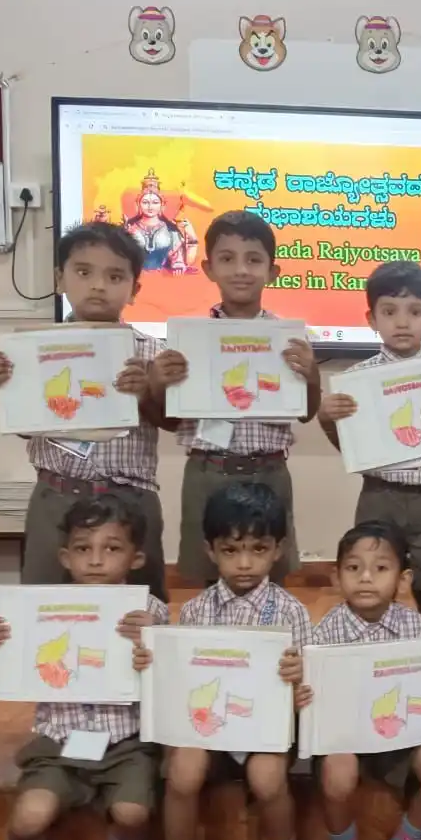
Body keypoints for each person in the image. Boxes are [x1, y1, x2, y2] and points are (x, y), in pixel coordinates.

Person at [0, 495, 166, 840]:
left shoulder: (150, 613)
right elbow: (11, 660)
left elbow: (173, 677)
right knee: (28, 819)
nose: (96, 561)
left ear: (137, 558)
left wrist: (157, 646)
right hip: (58, 744)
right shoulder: (38, 611)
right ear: (65, 556)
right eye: (83, 548)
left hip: (126, 744)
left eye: (112, 548)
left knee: (134, 814)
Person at [144, 482, 309, 840]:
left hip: (268, 729)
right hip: (209, 727)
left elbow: (308, 689)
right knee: (182, 771)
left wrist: (300, 679)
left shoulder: (292, 614)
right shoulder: (195, 611)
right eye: (230, 549)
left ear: (278, 549)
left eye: (258, 549)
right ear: (210, 551)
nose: (244, 563)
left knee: (267, 775)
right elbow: (184, 678)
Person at [0, 222, 170, 600]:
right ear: (60, 279)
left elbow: (174, 422)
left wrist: (148, 393)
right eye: (83, 272)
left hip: (130, 498)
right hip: (57, 495)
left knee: (141, 614)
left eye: (115, 276)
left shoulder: (153, 353)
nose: (98, 285)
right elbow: (26, 426)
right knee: (44, 605)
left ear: (134, 289)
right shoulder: (33, 350)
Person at [148, 210, 322, 587]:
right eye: (227, 259)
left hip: (269, 472)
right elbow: (170, 420)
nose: (241, 270)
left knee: (270, 580)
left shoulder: (290, 340)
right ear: (209, 269)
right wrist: (160, 385)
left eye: (254, 260)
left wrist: (311, 375)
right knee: (206, 576)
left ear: (273, 271)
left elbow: (307, 412)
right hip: (207, 472)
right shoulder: (188, 342)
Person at [297, 520, 421, 840]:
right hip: (345, 736)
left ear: (403, 579)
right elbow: (316, 698)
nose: (366, 578)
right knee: (338, 773)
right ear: (336, 575)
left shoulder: (414, 625)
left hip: (401, 734)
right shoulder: (323, 633)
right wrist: (302, 697)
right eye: (353, 568)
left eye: (380, 568)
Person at [317, 261, 421, 634]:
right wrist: (327, 417)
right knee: (370, 583)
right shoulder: (356, 382)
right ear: (371, 318)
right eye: (389, 312)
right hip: (379, 495)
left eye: (415, 312)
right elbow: (350, 449)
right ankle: (368, 647)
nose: (402, 323)